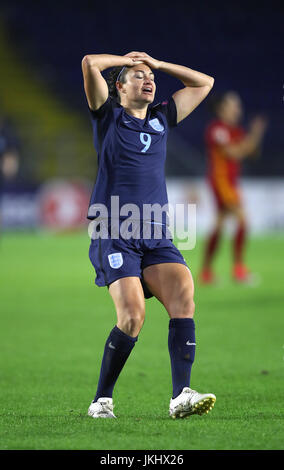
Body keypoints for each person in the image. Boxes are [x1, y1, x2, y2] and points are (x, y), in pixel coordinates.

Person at [82, 51, 216, 419]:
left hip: (156, 234)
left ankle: (181, 396)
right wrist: (126, 59)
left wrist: (159, 65)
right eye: (137, 76)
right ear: (119, 88)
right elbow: (90, 62)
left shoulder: (161, 118)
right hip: (114, 231)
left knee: (184, 296)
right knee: (132, 317)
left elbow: (204, 83)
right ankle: (102, 400)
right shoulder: (108, 116)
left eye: (149, 76)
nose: (147, 79)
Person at [199, 92, 267, 284]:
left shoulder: (235, 130)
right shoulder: (217, 129)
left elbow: (252, 153)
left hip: (230, 182)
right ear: (222, 109)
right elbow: (235, 152)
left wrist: (254, 135)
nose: (238, 109)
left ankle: (206, 272)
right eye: (233, 105)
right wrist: (253, 136)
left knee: (219, 226)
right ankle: (239, 270)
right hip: (221, 182)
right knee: (242, 221)